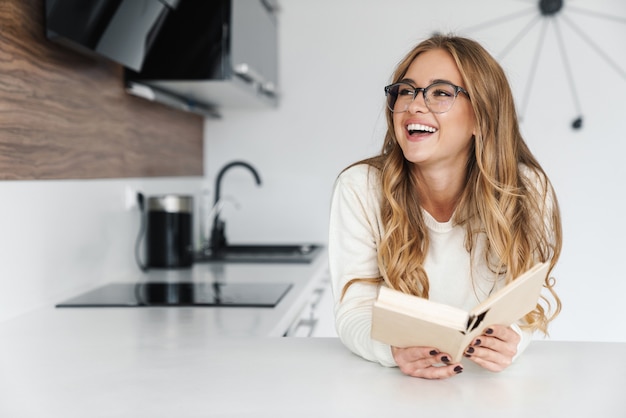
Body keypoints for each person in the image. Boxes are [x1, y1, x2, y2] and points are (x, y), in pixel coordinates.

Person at [328, 34, 562, 380]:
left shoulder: (526, 190)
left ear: (482, 118)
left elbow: (524, 303)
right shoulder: (360, 187)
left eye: (440, 92)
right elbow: (355, 308)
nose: (414, 105)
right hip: (394, 387)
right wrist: (393, 350)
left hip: (488, 387)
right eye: (406, 90)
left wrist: (511, 341)